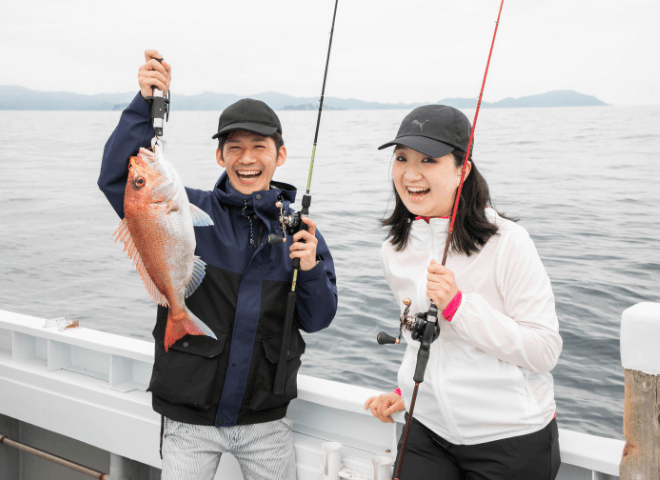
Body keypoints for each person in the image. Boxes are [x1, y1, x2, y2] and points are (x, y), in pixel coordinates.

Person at [98, 50, 337, 480]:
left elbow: (317, 319)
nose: (247, 159)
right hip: (188, 417)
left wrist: (313, 267)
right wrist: (144, 102)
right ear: (219, 157)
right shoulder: (186, 208)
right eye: (235, 148)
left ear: (280, 155)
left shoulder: (301, 232)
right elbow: (119, 180)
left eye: (259, 147)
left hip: (265, 419)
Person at [364, 105, 562, 479]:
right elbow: (418, 336)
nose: (410, 173)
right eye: (401, 157)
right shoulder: (394, 249)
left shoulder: (508, 242)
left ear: (462, 169)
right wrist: (404, 389)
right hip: (425, 427)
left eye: (429, 160)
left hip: (509, 437)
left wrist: (459, 306)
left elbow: (545, 350)